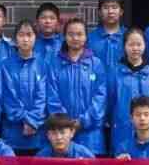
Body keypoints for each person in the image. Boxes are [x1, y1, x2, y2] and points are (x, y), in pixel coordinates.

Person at [46, 18, 107, 155]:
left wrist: (83, 121)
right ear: (64, 36)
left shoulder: (96, 64)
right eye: (71, 34)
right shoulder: (54, 64)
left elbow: (100, 98)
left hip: (91, 135)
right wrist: (65, 123)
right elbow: (52, 96)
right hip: (62, 134)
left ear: (86, 37)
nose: (75, 38)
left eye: (79, 34)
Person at [108, 27, 149, 157]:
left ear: (145, 46)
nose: (135, 48)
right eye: (131, 44)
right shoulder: (115, 72)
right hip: (123, 130)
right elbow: (110, 103)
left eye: (139, 44)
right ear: (124, 46)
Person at [0, 20, 48, 156]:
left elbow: (43, 97)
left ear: (36, 38)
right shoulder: (6, 65)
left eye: (29, 35)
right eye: (21, 35)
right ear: (15, 39)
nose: (25, 39)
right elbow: (8, 97)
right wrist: (24, 119)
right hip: (12, 131)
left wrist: (32, 122)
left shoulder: (43, 65)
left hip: (37, 131)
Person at [88, 0, 127, 97]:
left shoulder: (129, 37)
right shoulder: (90, 39)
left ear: (121, 11)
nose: (110, 11)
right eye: (106, 7)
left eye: (114, 7)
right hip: (96, 92)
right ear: (99, 12)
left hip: (123, 91)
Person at [34, 3, 64, 67]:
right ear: (37, 21)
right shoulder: (31, 43)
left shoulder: (65, 43)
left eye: (52, 18)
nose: (48, 21)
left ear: (58, 22)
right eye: (43, 18)